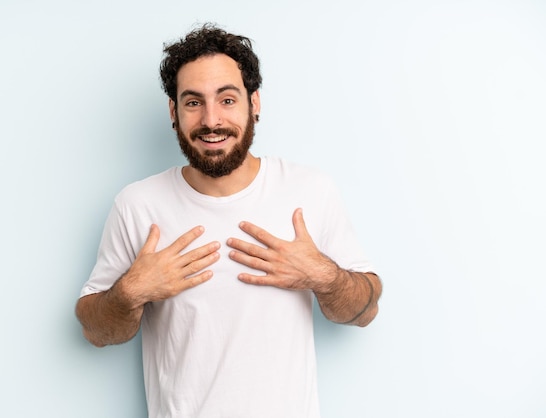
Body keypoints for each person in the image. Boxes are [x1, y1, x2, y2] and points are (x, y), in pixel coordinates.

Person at [76, 23, 382, 418]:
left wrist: (323, 276)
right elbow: (95, 331)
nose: (211, 120)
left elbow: (365, 312)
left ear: (254, 102)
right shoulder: (137, 205)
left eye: (226, 99)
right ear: (174, 112)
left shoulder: (310, 191)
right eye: (192, 102)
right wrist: (131, 292)